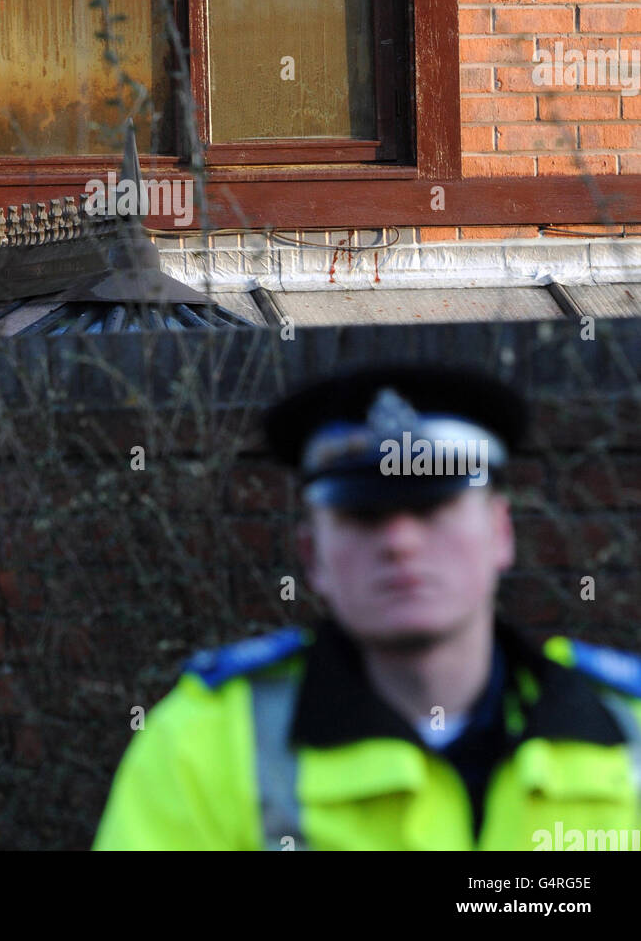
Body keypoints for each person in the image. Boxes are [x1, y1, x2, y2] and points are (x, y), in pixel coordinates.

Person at [92, 365, 641, 851]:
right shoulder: (201, 747)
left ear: (500, 531)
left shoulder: (630, 725)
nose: (400, 541)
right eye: (364, 516)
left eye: (432, 505)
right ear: (313, 556)